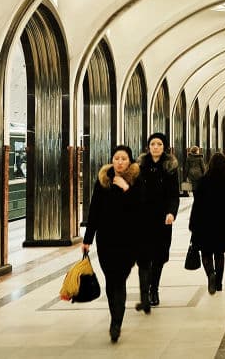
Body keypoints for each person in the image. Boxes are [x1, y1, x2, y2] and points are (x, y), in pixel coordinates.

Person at [82, 145, 144, 343]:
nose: (119, 162)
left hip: (128, 240)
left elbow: (141, 208)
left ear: (130, 161)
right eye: (116, 158)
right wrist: (87, 239)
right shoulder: (103, 181)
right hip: (106, 240)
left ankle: (117, 321)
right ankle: (114, 317)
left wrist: (126, 188)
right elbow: (94, 211)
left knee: (120, 279)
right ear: (112, 160)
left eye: (124, 158)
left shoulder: (136, 180)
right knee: (110, 280)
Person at [136, 132, 180, 309]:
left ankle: (154, 289)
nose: (156, 147)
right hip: (143, 218)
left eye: (159, 144)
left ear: (164, 147)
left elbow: (174, 194)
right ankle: (145, 291)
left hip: (162, 219)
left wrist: (171, 213)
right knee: (144, 256)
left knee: (159, 256)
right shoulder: (139, 166)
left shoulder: (170, 166)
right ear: (148, 147)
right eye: (153, 144)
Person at [189, 152, 225, 295]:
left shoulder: (203, 180)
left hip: (205, 221)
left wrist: (193, 223)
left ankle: (210, 274)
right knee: (219, 253)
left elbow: (197, 204)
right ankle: (219, 283)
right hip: (223, 221)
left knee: (206, 252)